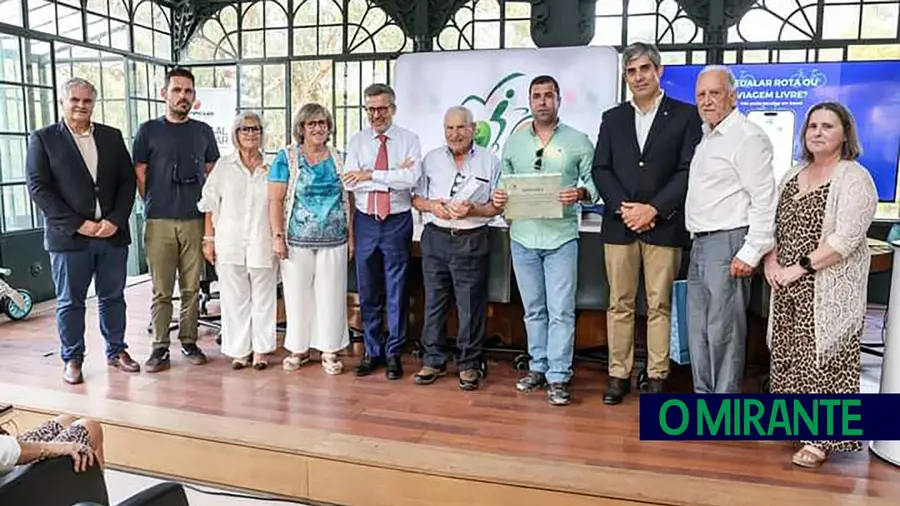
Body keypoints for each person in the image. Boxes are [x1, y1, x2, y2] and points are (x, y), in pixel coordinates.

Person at [763, 102, 876, 468]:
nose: (817, 132)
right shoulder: (793, 175)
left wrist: (798, 268)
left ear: (845, 133)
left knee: (825, 363)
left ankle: (821, 439)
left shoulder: (854, 178)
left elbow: (845, 239)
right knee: (790, 359)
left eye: (827, 126)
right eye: (812, 125)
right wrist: (771, 260)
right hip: (786, 287)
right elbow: (776, 227)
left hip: (825, 290)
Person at [592, 42, 702, 403]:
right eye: (631, 71)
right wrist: (626, 209)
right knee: (619, 303)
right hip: (620, 225)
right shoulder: (612, 118)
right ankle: (617, 374)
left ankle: (657, 375)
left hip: (664, 225)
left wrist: (653, 208)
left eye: (644, 69)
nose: (638, 77)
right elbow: (601, 169)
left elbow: (688, 170)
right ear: (625, 77)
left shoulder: (685, 116)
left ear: (659, 71)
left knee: (660, 304)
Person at [491, 75, 598, 406]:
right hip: (523, 237)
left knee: (561, 311)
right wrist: (499, 197)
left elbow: (595, 185)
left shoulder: (579, 140)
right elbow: (503, 187)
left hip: (561, 238)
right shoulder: (515, 141)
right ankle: (537, 367)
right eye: (536, 96)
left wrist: (579, 192)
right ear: (530, 101)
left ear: (558, 100)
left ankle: (559, 376)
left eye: (548, 96)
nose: (542, 101)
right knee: (533, 309)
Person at [25, 77, 139, 385]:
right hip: (70, 238)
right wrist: (80, 223)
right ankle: (72, 358)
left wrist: (115, 220)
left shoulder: (112, 137)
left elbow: (128, 182)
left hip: (111, 235)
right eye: (74, 100)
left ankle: (117, 351)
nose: (81, 105)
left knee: (113, 296)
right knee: (70, 301)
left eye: (87, 101)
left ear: (94, 104)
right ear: (63, 101)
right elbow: (39, 189)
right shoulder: (43, 139)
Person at [684, 65, 778, 394]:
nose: (707, 101)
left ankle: (723, 405)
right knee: (699, 329)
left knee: (723, 330)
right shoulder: (708, 136)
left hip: (729, 244)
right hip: (701, 244)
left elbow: (765, 200)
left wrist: (750, 252)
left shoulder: (747, 137)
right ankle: (703, 397)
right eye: (701, 95)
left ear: (732, 96)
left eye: (715, 93)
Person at [133, 67, 220, 373]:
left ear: (194, 97)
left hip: (195, 219)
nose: (182, 96)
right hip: (159, 220)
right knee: (160, 288)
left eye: (188, 91)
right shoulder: (148, 130)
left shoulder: (203, 132)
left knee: (192, 287)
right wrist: (155, 202)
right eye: (177, 90)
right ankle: (159, 347)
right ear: (164, 94)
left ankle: (189, 340)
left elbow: (212, 173)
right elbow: (140, 173)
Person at [411, 105, 502, 391]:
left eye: (461, 127)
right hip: (436, 237)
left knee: (471, 306)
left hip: (472, 239)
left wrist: (474, 208)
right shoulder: (431, 159)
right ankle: (433, 359)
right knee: (435, 303)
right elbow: (416, 199)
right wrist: (433, 205)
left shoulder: (490, 161)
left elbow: (496, 207)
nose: (455, 133)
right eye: (449, 128)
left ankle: (469, 364)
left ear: (473, 129)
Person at [341, 83, 422, 380]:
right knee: (368, 289)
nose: (376, 114)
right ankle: (372, 351)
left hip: (396, 221)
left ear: (393, 109)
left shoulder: (409, 140)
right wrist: (391, 176)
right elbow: (350, 182)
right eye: (371, 109)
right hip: (366, 220)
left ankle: (393, 353)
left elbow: (411, 179)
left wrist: (370, 174)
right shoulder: (358, 141)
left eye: (382, 108)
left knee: (396, 290)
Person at [269, 103, 352, 375]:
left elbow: (349, 199)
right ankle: (299, 349)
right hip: (296, 240)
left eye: (322, 123)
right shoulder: (286, 157)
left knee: (331, 296)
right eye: (311, 124)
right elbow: (275, 199)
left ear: (329, 128)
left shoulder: (340, 157)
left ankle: (329, 351)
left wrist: (351, 237)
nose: (318, 128)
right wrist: (278, 236)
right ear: (301, 129)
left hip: (335, 239)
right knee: (297, 296)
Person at [198, 112, 276, 370]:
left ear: (262, 134)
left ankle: (261, 350)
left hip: (263, 241)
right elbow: (210, 205)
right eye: (245, 129)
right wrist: (208, 240)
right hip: (229, 242)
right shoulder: (223, 166)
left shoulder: (273, 166)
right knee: (234, 299)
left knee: (263, 298)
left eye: (255, 129)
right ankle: (240, 351)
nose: (250, 133)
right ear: (236, 134)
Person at [1, 415, 103, 474]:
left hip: (7, 450)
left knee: (66, 420)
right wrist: (57, 448)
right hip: (10, 477)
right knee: (90, 427)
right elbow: (7, 451)